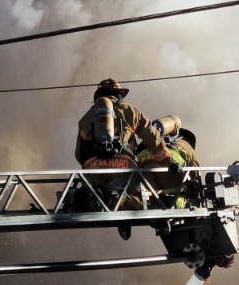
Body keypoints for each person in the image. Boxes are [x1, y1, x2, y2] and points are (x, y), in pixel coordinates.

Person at [74, 78, 180, 212]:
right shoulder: (131, 111)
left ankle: (92, 197)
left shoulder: (86, 118)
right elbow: (152, 137)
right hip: (123, 166)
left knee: (93, 199)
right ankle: (114, 200)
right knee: (137, 204)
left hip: (93, 168)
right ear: (119, 94)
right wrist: (170, 162)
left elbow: (79, 155)